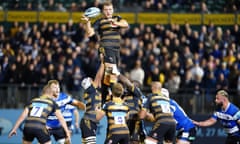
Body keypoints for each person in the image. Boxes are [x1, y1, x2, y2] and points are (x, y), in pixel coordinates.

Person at [81, 1, 129, 103]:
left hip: (116, 50)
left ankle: (104, 100)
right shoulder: (99, 21)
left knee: (108, 77)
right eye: (106, 10)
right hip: (106, 48)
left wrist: (117, 23)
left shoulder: (117, 18)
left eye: (110, 10)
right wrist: (87, 22)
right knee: (112, 73)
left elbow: (125, 24)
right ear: (102, 11)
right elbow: (90, 33)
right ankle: (117, 99)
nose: (108, 12)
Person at [46, 80, 85, 144]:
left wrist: (87, 108)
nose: (57, 89)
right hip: (48, 126)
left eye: (58, 87)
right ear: (49, 89)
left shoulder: (64, 97)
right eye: (55, 87)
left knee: (67, 141)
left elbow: (77, 103)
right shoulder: (45, 99)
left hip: (59, 127)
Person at [80, 61, 104, 144]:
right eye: (91, 80)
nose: (93, 80)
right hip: (89, 121)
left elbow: (100, 80)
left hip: (90, 121)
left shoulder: (92, 92)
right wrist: (102, 63)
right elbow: (98, 77)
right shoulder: (90, 90)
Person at [118, 74, 147, 144]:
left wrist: (118, 74)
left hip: (134, 121)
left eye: (133, 85)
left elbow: (128, 84)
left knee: (134, 141)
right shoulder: (124, 95)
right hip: (124, 121)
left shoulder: (138, 94)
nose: (128, 88)